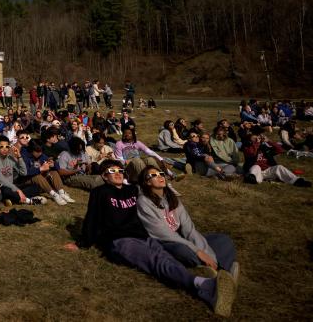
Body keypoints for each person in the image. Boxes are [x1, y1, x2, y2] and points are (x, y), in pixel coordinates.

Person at [78, 160, 235, 317]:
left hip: (143, 237)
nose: (117, 173)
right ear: (104, 176)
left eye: (120, 170)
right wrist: (83, 243)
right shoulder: (100, 192)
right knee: (156, 260)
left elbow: (150, 189)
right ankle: (204, 285)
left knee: (165, 258)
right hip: (120, 240)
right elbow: (92, 218)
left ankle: (211, 280)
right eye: (112, 171)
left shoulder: (132, 190)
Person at [137, 165, 240, 280]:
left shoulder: (171, 197)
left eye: (161, 174)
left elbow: (188, 228)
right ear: (147, 182)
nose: (160, 176)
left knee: (223, 240)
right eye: (154, 175)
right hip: (166, 243)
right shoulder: (143, 202)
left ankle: (216, 271)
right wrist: (197, 251)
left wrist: (204, 252)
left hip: (182, 238)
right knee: (184, 251)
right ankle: (222, 271)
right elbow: (163, 233)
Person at [242, 132, 311, 187]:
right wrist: (256, 143)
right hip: (255, 171)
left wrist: (268, 141)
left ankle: (296, 181)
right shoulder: (247, 148)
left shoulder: (265, 148)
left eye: (257, 138)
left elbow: (280, 150)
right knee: (256, 167)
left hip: (267, 171)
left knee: (279, 167)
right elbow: (252, 153)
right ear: (250, 141)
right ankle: (252, 179)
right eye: (254, 139)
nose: (257, 139)